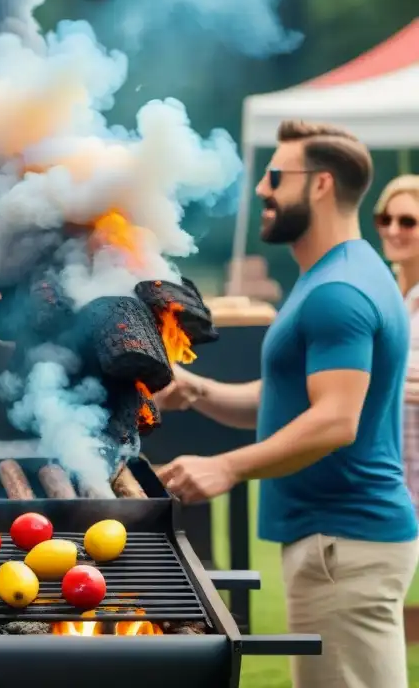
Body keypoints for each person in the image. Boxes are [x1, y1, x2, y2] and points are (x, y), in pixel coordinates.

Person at [156, 121, 419, 688]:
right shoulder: (336, 274)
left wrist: (226, 466)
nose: (261, 190)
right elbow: (291, 401)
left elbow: (334, 419)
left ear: (321, 184)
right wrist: (199, 390)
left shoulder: (337, 292)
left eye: (276, 176)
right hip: (335, 544)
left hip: (343, 545)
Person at [374, 174, 419, 508]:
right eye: (384, 219)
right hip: (388, 460)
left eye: (408, 222)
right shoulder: (379, 292)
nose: (392, 230)